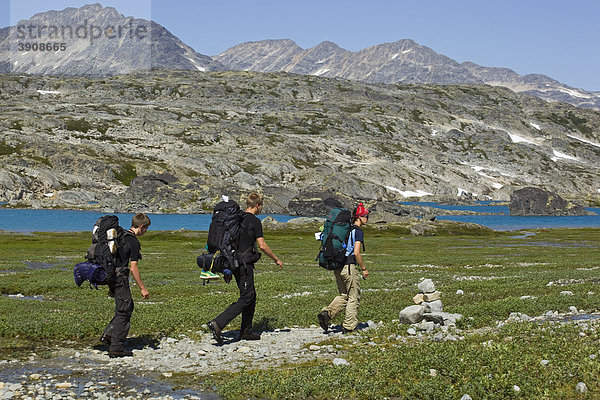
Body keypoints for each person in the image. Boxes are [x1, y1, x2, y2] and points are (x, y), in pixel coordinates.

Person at [207, 193, 283, 344]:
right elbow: (262, 245)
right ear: (257, 206)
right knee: (247, 297)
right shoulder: (254, 221)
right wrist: (276, 259)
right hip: (244, 264)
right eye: (261, 206)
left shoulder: (237, 218)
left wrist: (227, 269)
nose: (261, 209)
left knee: (250, 296)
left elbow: (230, 243)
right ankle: (218, 323)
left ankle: (246, 331)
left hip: (233, 262)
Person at [100, 213, 151, 358]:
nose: (145, 232)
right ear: (141, 226)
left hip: (111, 276)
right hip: (120, 278)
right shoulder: (133, 241)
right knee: (124, 310)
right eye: (146, 229)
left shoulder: (121, 236)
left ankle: (108, 335)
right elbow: (133, 267)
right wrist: (142, 288)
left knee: (126, 306)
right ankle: (116, 348)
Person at [318, 203, 370, 333]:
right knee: (353, 296)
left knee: (343, 295)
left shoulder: (346, 229)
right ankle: (349, 326)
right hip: (349, 267)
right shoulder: (358, 231)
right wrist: (364, 268)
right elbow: (357, 253)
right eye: (366, 216)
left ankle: (327, 314)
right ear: (359, 217)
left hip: (338, 265)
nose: (367, 219)